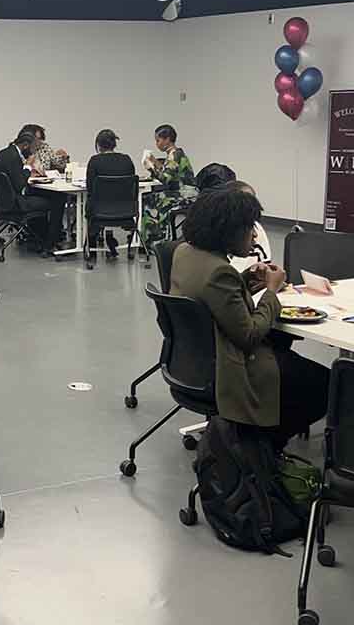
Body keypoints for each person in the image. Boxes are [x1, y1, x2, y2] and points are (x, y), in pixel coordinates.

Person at [169, 188, 329, 450]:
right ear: (228, 230)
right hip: (232, 369)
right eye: (249, 228)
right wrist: (271, 291)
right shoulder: (219, 272)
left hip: (193, 363)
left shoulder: (185, 253)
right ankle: (262, 446)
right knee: (325, 382)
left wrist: (244, 284)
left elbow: (212, 299)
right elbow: (250, 336)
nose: (255, 235)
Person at [0, 130, 65, 257]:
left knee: (43, 194)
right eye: (31, 149)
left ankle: (39, 235)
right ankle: (51, 241)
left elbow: (14, 178)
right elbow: (19, 184)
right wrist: (28, 167)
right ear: (25, 145)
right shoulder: (13, 157)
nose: (32, 152)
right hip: (15, 202)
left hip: (2, 200)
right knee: (58, 198)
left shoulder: (5, 153)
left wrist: (26, 172)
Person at [140, 125, 197, 253]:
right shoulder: (175, 154)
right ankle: (154, 239)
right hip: (182, 192)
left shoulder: (174, 155)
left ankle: (153, 241)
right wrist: (154, 161)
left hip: (184, 194)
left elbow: (165, 179)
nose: (157, 144)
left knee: (148, 200)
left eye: (158, 140)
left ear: (167, 139)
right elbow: (167, 171)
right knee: (152, 197)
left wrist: (150, 167)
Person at [85, 128, 135, 258]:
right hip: (126, 210)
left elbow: (90, 188)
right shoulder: (127, 160)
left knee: (89, 202)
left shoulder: (94, 161)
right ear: (114, 144)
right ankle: (130, 245)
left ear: (98, 145)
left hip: (99, 211)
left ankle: (91, 246)